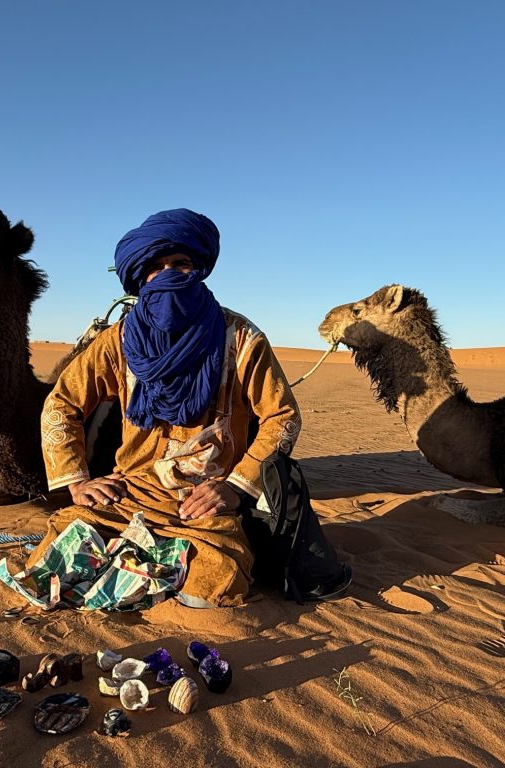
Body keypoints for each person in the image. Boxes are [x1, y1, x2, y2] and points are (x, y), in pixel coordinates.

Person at [27, 208, 304, 607]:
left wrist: (235, 487)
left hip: (203, 502)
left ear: (199, 270)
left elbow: (283, 417)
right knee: (51, 566)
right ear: (141, 277)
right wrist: (78, 482)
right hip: (127, 493)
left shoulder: (239, 338)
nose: (169, 274)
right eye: (156, 267)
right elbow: (62, 402)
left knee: (217, 586)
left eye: (181, 263)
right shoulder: (118, 341)